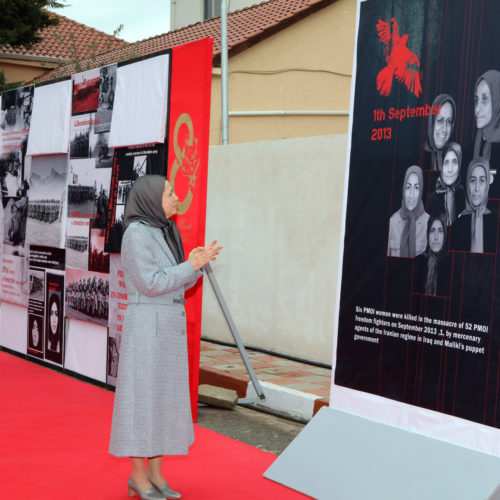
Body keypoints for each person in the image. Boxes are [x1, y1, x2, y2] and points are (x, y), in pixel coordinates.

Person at [109, 175, 222, 500]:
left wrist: (196, 266)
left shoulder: (165, 231)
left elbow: (178, 283)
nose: (176, 197)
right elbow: (150, 283)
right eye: (170, 193)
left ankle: (157, 474)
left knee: (162, 401)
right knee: (141, 401)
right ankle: (138, 476)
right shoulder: (135, 234)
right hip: (147, 326)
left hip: (168, 327)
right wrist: (189, 264)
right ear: (151, 198)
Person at [451, 158, 497, 253]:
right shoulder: (456, 226)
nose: (476, 188)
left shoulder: (496, 224)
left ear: (487, 185)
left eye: (482, 181)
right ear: (467, 183)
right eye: (472, 180)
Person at [388, 165, 429, 257]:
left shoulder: (429, 223)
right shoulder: (392, 222)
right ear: (403, 189)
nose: (411, 195)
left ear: (421, 190)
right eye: (408, 187)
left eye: (416, 188)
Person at [427, 142, 466, 225]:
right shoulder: (429, 201)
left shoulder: (466, 199)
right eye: (446, 162)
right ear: (441, 165)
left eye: (454, 162)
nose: (450, 170)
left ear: (460, 165)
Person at [413, 216, 451, 296]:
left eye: (440, 231)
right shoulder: (417, 262)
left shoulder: (452, 265)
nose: (436, 237)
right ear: (427, 234)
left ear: (445, 235)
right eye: (432, 231)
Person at [423, 94, 456, 171]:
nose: (444, 129)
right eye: (440, 120)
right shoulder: (418, 160)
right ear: (431, 122)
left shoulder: (453, 159)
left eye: (449, 121)